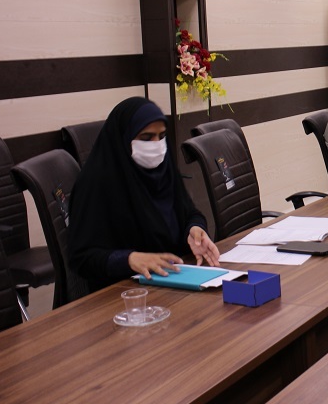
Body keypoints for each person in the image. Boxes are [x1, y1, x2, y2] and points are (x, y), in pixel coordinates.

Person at [68, 97, 220, 294]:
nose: (156, 145)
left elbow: (190, 213)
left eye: (161, 136)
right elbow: (81, 257)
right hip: (122, 293)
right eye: (146, 138)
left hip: (174, 281)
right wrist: (129, 259)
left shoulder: (164, 170)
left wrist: (194, 230)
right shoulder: (96, 182)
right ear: (124, 138)